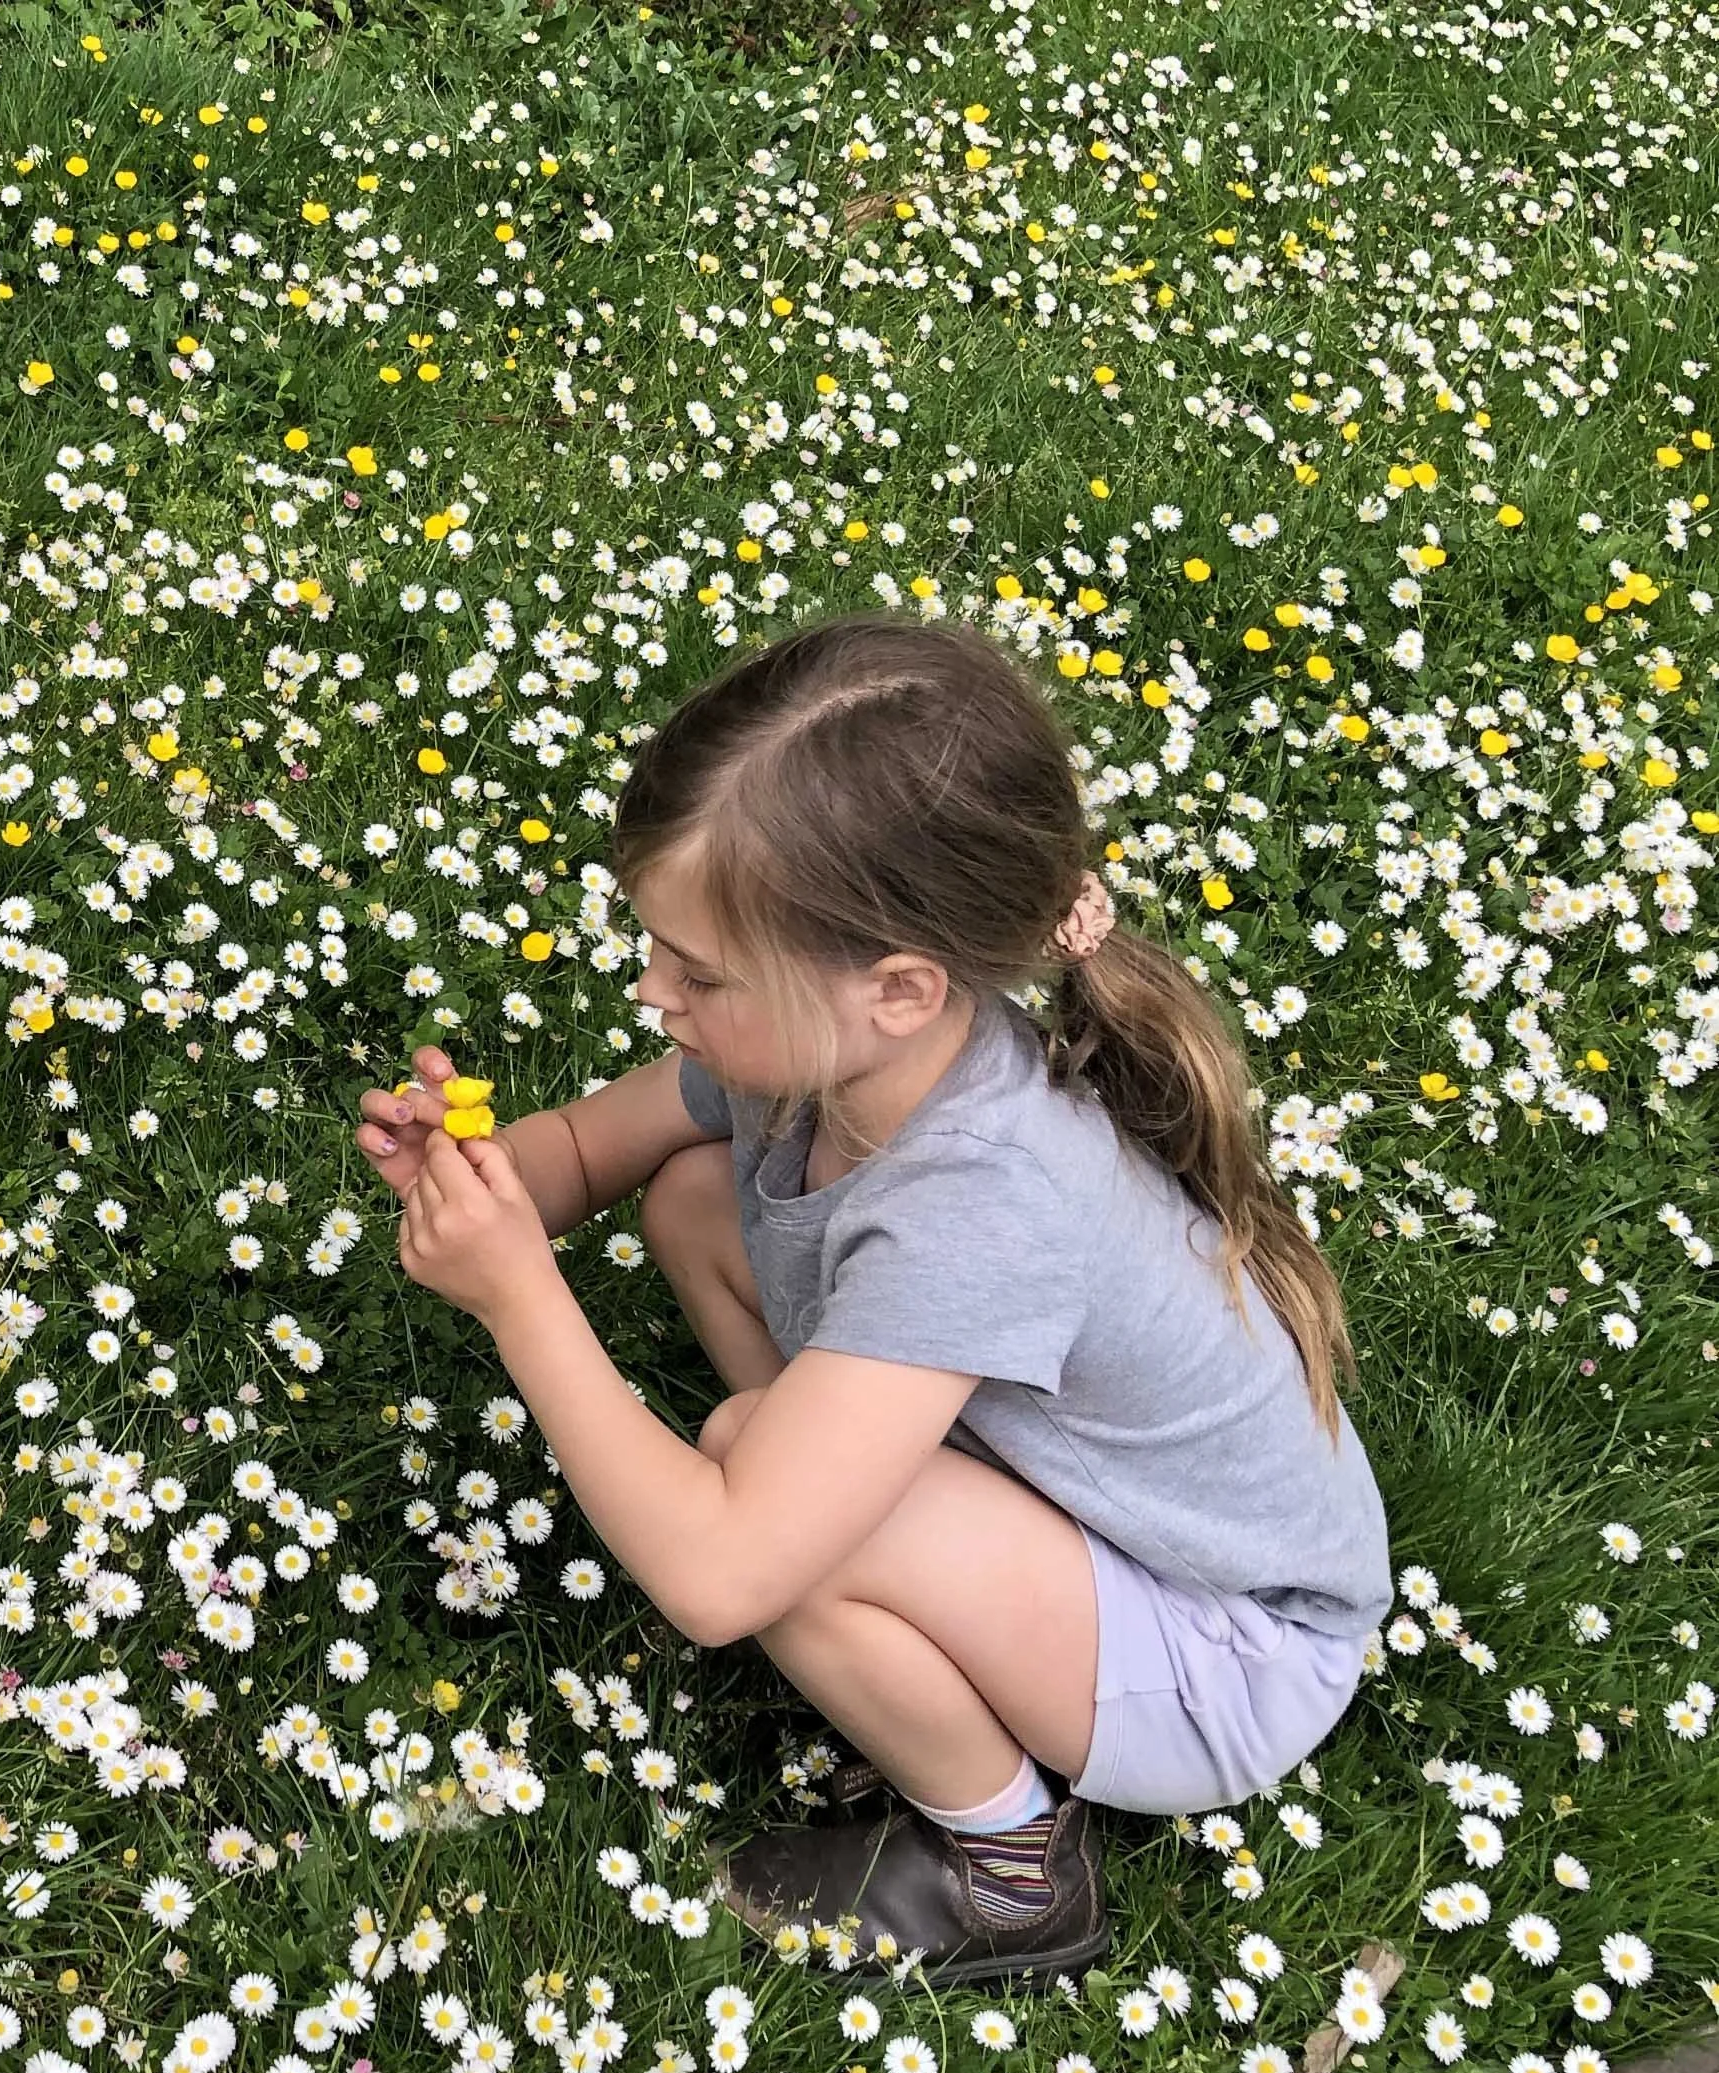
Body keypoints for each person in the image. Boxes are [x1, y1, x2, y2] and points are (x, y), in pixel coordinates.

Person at [351, 611, 1389, 1990]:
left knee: (756, 1507)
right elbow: (596, 1152)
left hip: (1228, 1650)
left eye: (699, 973)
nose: (654, 992)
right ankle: (849, 1512)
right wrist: (477, 1176)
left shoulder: (981, 1200)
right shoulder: (843, 1053)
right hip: (1135, 1522)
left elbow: (720, 1580)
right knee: (696, 1199)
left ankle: (1014, 1871)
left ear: (900, 987)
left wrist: (520, 1296)